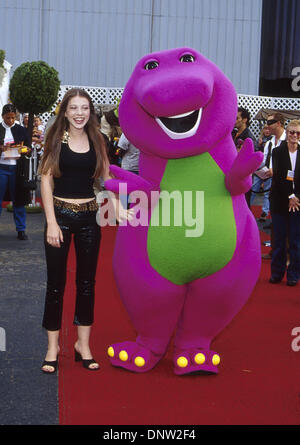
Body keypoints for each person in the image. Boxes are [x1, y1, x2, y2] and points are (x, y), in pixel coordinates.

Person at [39, 88, 111, 373]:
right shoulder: (56, 140)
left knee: (86, 284)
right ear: (65, 112)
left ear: (90, 112)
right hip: (60, 215)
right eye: (74, 108)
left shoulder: (99, 139)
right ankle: (53, 347)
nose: (79, 113)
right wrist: (52, 222)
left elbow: (107, 178)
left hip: (90, 219)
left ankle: (83, 345)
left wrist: (116, 204)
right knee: (55, 285)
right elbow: (45, 181)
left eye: (84, 108)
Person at [269, 119, 300, 286]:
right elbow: (279, 176)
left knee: (295, 241)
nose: (294, 135)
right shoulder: (277, 152)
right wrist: (290, 196)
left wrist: (296, 197)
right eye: (291, 132)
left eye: (297, 133)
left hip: (298, 204)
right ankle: (277, 273)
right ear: (287, 133)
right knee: (279, 240)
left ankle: (294, 274)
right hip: (280, 201)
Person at [0, 104, 31, 240]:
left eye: (13, 118)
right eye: (8, 118)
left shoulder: (21, 130)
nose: (11, 121)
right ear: (2, 116)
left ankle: (21, 229)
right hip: (1, 168)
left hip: (17, 170)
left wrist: (24, 150)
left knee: (18, 200)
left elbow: (29, 148)